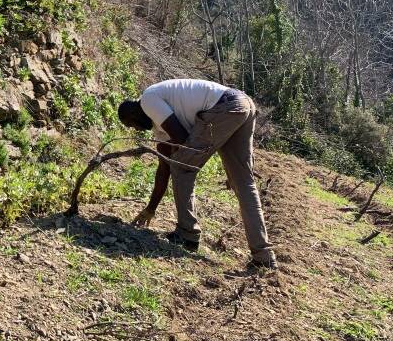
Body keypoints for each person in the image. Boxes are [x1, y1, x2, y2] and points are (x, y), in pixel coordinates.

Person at [118, 78, 277, 270]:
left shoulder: (149, 100)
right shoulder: (159, 121)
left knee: (181, 165)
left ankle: (187, 234)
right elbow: (164, 168)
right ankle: (263, 256)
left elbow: (182, 142)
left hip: (225, 107)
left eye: (131, 124)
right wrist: (151, 208)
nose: (135, 129)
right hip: (243, 105)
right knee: (243, 183)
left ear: (134, 112)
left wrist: (188, 159)